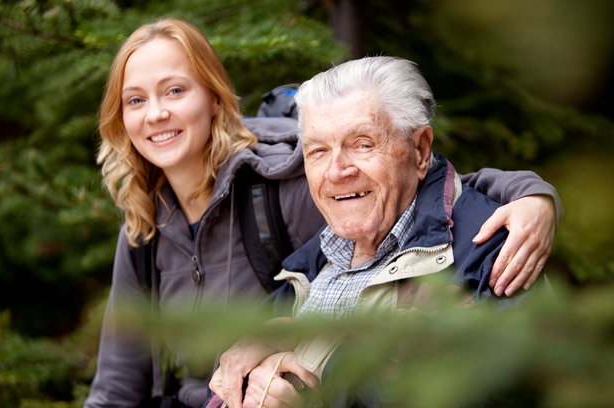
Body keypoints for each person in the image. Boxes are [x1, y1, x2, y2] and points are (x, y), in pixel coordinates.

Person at [85, 18, 561, 408]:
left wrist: (532, 197)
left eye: (361, 143)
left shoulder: (279, 193)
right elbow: (117, 384)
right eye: (135, 100)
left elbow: (438, 196)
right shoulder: (306, 259)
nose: (337, 171)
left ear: (214, 98)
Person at [209, 56, 560, 408]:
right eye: (318, 151)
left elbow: (504, 390)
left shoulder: (493, 249)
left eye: (362, 144)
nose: (336, 171)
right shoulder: (313, 260)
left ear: (420, 150)